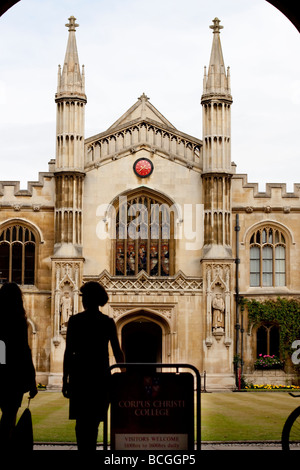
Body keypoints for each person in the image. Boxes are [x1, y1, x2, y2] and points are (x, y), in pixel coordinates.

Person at [62, 281, 124, 452]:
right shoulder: (107, 322)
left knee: (81, 423)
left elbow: (69, 352)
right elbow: (118, 352)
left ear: (90, 299)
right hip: (100, 377)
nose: (82, 300)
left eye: (84, 297)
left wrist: (65, 379)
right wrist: (125, 373)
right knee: (94, 422)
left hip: (80, 376)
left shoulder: (75, 321)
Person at [0, 282, 38, 450]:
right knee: (9, 417)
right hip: (13, 375)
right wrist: (31, 380)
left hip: (4, 372)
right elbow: (23, 350)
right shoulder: (18, 321)